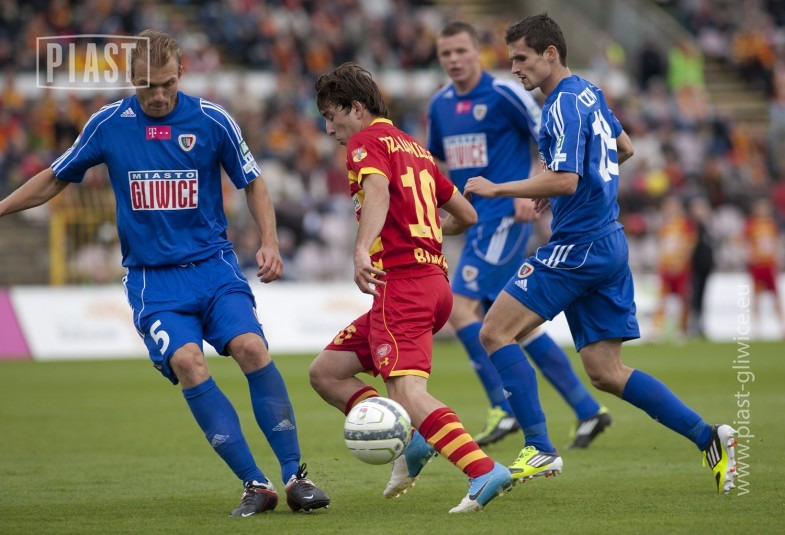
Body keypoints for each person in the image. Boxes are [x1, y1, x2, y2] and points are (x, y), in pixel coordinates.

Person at [0, 30, 329, 516]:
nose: (157, 95)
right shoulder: (108, 124)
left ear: (182, 74)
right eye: (146, 85)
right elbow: (55, 177)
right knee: (189, 363)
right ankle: (255, 484)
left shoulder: (212, 119)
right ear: (131, 78)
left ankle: (296, 477)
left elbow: (253, 182)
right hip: (154, 281)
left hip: (214, 268)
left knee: (252, 348)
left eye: (167, 84)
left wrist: (270, 241)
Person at [463, 13, 737, 494]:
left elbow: (567, 179)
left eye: (522, 58)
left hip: (578, 246)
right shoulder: (588, 92)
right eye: (512, 60)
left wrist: (500, 188)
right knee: (606, 372)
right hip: (608, 241)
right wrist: (567, 189)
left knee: (494, 331)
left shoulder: (560, 105)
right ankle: (708, 436)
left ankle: (538, 446)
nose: (515, 68)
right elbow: (623, 147)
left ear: (551, 53)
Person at [308, 62, 512, 513]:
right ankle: (413, 438)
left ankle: (482, 469)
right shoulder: (415, 148)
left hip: (401, 286)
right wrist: (430, 231)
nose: (329, 129)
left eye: (331, 116)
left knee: (407, 393)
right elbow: (467, 215)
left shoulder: (365, 142)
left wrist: (361, 251)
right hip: (433, 284)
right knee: (326, 372)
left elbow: (378, 193)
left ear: (355, 108)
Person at [428, 20, 610, 449]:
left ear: (477, 52)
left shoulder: (505, 93)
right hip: (472, 221)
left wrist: (530, 189)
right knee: (517, 327)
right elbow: (438, 162)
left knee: (461, 307)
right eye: (446, 53)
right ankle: (587, 409)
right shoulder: (439, 105)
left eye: (461, 51)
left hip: (504, 216)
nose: (454, 60)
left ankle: (503, 407)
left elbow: (548, 141)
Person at [652, 195, 696, 341]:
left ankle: (681, 330)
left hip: (681, 267)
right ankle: (657, 330)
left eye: (672, 205)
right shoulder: (664, 225)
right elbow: (661, 246)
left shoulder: (686, 224)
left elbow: (689, 246)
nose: (669, 208)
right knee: (661, 299)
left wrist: (681, 262)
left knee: (683, 299)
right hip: (666, 267)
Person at [745, 198, 785, 337]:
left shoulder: (772, 225)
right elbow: (747, 243)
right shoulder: (751, 225)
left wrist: (778, 257)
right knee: (756, 297)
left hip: (769, 264)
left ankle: (781, 326)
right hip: (758, 265)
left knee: (776, 297)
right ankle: (757, 328)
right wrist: (749, 256)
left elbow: (777, 242)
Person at [688, 196, 715, 338]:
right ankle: (692, 326)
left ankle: (699, 325)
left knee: (701, 297)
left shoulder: (707, 226)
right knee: (694, 296)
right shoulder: (691, 226)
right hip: (694, 268)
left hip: (705, 267)